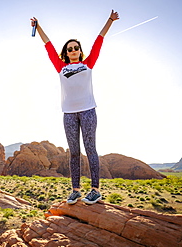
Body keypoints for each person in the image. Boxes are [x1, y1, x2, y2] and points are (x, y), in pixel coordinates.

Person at [31, 10, 119, 205]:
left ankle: (95, 190)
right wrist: (38, 28)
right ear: (66, 52)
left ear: (80, 51)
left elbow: (99, 40)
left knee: (90, 149)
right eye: (69, 48)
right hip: (68, 114)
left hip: (88, 111)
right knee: (73, 153)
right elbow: (48, 46)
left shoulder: (88, 64)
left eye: (76, 48)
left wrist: (110, 21)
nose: (72, 50)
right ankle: (75, 190)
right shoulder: (61, 67)